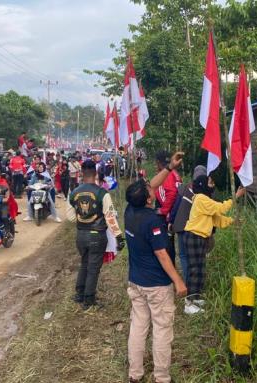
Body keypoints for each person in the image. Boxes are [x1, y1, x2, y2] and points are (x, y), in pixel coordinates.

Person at [125, 151, 186, 383]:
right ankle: (162, 377)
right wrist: (178, 281)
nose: (152, 188)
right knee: (161, 330)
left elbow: (151, 184)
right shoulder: (153, 222)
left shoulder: (130, 211)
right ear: (149, 199)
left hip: (136, 281)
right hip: (157, 286)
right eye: (150, 191)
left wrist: (170, 167)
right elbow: (162, 254)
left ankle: (135, 374)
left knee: (138, 326)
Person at [184, 176, 244, 315]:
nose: (213, 184)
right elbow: (221, 208)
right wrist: (236, 196)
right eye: (210, 182)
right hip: (194, 236)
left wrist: (233, 221)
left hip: (199, 237)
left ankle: (195, 297)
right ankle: (189, 303)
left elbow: (217, 219)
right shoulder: (201, 199)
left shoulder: (205, 201)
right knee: (195, 270)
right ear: (203, 185)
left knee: (200, 269)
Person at [69, 160, 123, 309]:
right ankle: (89, 298)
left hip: (81, 235)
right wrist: (118, 236)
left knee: (84, 263)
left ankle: (79, 293)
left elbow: (70, 217)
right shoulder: (102, 193)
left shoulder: (74, 192)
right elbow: (110, 217)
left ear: (81, 173)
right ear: (95, 173)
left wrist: (83, 219)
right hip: (97, 236)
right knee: (93, 267)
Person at [170, 165, 207, 286]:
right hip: (197, 230)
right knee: (196, 258)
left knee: (183, 255)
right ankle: (196, 284)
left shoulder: (184, 188)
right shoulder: (206, 193)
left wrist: (171, 220)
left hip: (181, 226)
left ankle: (187, 281)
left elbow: (176, 207)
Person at [154, 151, 182, 260]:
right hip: (173, 213)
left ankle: (167, 271)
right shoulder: (175, 173)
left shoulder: (168, 175)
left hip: (167, 214)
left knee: (164, 244)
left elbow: (171, 193)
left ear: (158, 163)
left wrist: (163, 210)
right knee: (169, 243)